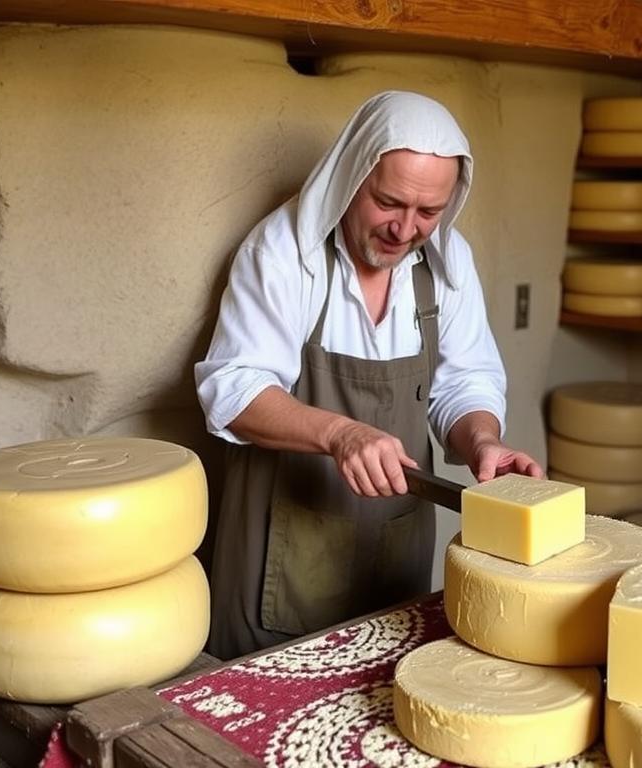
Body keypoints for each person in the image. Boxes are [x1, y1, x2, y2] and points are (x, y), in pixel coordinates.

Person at [195, 90, 543, 660]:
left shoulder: (446, 268)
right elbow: (232, 389)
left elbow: (463, 383)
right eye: (389, 203)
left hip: (393, 553)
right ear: (352, 177)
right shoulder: (283, 253)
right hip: (280, 565)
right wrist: (341, 434)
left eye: (428, 213)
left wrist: (482, 438)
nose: (405, 230)